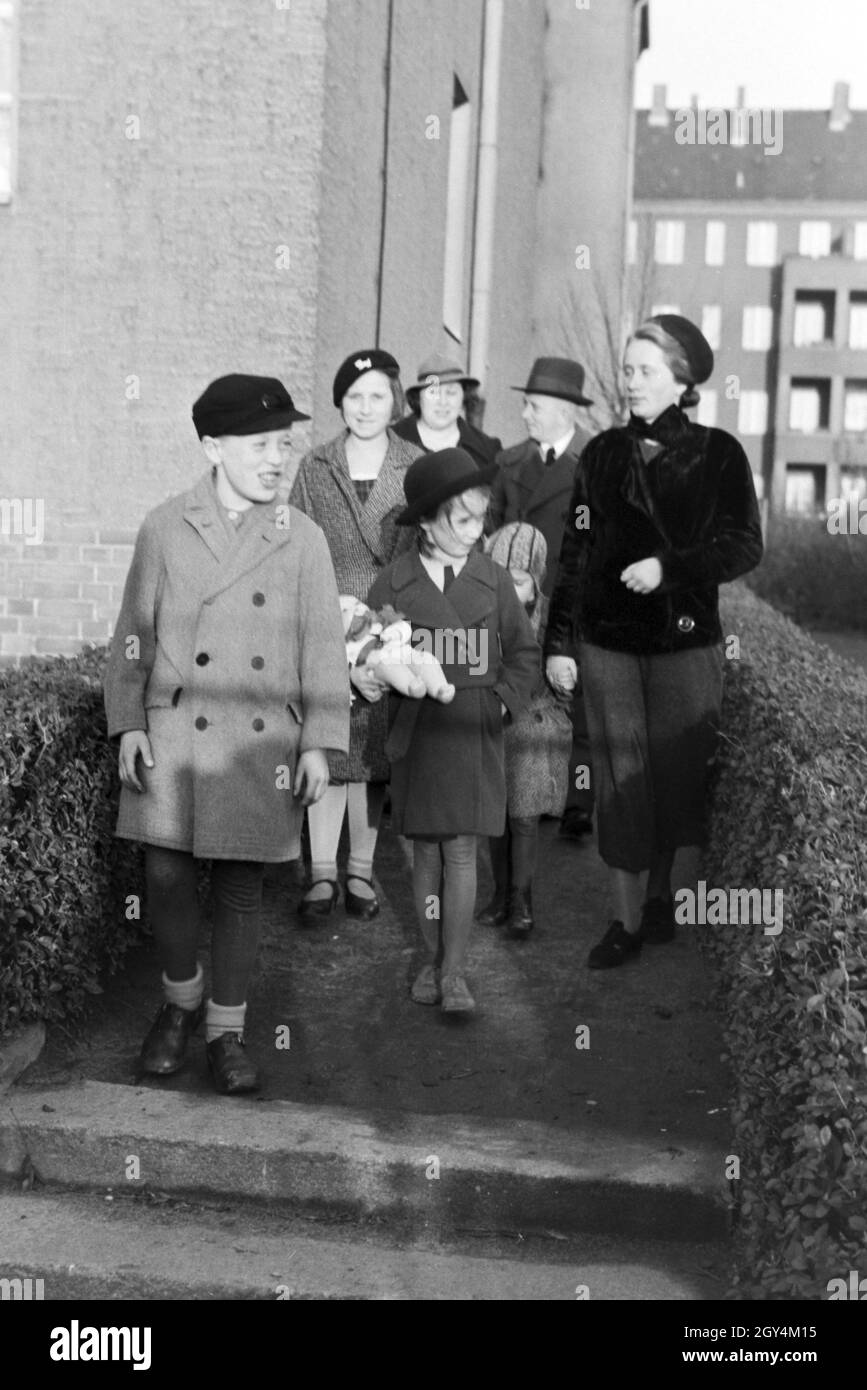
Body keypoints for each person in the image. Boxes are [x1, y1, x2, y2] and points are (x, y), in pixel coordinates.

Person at [104, 374, 350, 1093]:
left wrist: (318, 742)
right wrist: (126, 722)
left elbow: (324, 648)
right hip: (176, 731)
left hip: (259, 743)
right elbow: (129, 639)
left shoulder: (302, 538)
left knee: (243, 887)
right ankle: (179, 1001)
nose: (277, 459)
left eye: (284, 444)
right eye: (259, 445)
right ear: (212, 446)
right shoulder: (165, 525)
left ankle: (225, 1030)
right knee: (166, 873)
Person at [545, 315, 764, 969]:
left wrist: (670, 569)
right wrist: (560, 642)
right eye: (628, 369)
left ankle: (662, 895)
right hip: (608, 640)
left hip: (684, 644)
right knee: (618, 777)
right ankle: (624, 919)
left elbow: (743, 545)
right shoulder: (603, 453)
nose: (630, 381)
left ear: (682, 378)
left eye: (644, 370)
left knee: (670, 777)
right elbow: (576, 550)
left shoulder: (718, 452)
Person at [367, 449, 539, 1013]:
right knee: (425, 854)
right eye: (461, 520)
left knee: (463, 851)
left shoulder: (493, 580)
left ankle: (453, 971)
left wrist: (502, 705)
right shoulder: (392, 583)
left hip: (474, 728)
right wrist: (386, 672)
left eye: (479, 519)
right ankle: (431, 952)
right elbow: (369, 653)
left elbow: (523, 653)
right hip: (419, 730)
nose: (475, 531)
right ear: (425, 521)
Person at [289, 349, 421, 921]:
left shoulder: (415, 466)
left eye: (377, 395)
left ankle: (360, 870)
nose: (365, 407)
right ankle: (321, 871)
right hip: (326, 617)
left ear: (395, 400)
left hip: (390, 624)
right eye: (354, 396)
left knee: (372, 750)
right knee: (327, 738)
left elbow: (426, 546)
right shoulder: (316, 467)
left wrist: (394, 622)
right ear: (339, 402)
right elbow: (293, 540)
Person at [490, 356, 596, 839]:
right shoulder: (509, 462)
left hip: (572, 600)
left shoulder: (594, 466)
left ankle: (576, 803)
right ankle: (519, 790)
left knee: (576, 698)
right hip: (518, 600)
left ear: (563, 411)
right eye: (527, 405)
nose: (526, 414)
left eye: (534, 406)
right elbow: (491, 532)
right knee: (521, 695)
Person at [479, 522, 572, 938]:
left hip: (534, 719)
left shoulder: (552, 617)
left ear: (535, 582)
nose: (508, 588)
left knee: (524, 813)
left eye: (517, 580)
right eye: (499, 577)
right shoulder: (480, 613)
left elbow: (563, 674)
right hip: (492, 718)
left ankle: (522, 899)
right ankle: (501, 895)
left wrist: (564, 678)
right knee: (494, 814)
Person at [392, 351, 502, 467]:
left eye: (451, 392)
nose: (443, 401)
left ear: (464, 396)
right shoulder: (389, 440)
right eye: (433, 392)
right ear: (418, 397)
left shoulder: (489, 450)